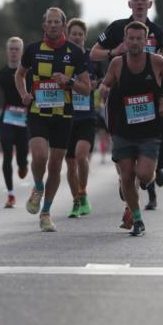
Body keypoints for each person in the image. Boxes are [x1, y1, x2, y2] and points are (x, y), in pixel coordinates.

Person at [99, 21, 163, 237]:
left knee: (143, 175)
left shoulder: (156, 61)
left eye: (139, 39)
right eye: (131, 38)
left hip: (149, 130)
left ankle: (147, 180)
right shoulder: (117, 63)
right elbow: (106, 83)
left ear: (146, 41)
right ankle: (137, 220)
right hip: (123, 129)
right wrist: (104, 89)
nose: (134, 42)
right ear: (125, 41)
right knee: (126, 176)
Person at [14, 7, 90, 231]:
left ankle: (46, 212)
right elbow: (18, 75)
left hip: (64, 115)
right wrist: (24, 94)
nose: (54, 25)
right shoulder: (33, 50)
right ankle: (37, 187)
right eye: (50, 21)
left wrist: (69, 82)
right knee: (39, 157)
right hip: (38, 112)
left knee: (55, 165)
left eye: (58, 22)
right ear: (44, 25)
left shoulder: (75, 53)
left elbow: (86, 88)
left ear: (64, 25)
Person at [0, 36, 30, 208]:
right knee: (7, 156)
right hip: (7, 118)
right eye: (11, 49)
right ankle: (10, 195)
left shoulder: (28, 73)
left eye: (17, 49)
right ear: (7, 51)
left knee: (22, 157)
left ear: (22, 52)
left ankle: (23, 164)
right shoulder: (0, 74)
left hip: (25, 120)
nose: (13, 52)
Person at [64, 19, 104, 218]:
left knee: (81, 156)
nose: (77, 37)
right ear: (68, 35)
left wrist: (96, 84)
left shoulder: (92, 58)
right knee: (70, 163)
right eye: (74, 34)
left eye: (80, 34)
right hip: (66, 117)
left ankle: (83, 192)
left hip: (87, 116)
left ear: (84, 37)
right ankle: (75, 201)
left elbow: (103, 78)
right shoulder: (62, 57)